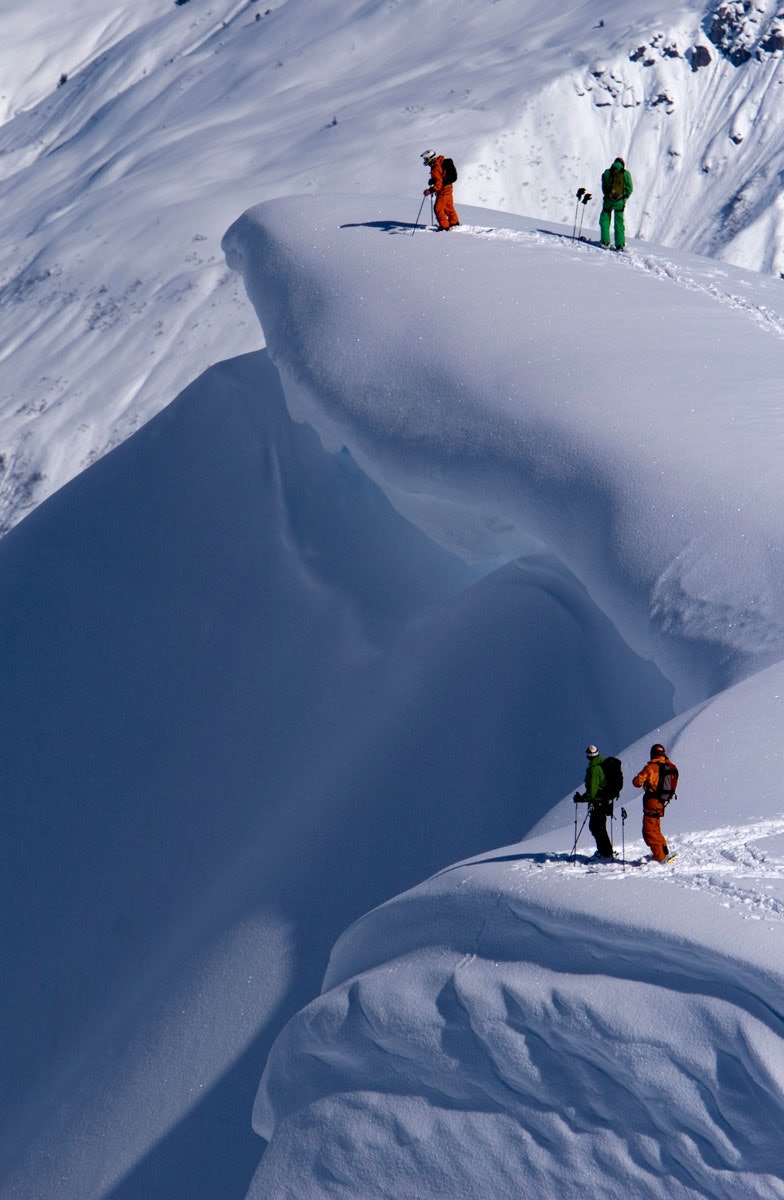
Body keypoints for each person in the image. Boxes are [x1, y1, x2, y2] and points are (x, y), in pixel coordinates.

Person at [632, 743, 678, 862]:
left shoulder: (651, 767)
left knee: (649, 831)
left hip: (652, 801)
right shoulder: (670, 765)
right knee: (656, 828)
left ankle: (660, 857)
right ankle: (664, 852)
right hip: (661, 802)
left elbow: (637, 782)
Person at [573, 744, 614, 858]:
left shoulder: (594, 769)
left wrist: (581, 798)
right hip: (604, 801)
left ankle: (605, 853)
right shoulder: (602, 764)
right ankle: (606, 852)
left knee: (596, 827)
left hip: (598, 802)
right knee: (599, 827)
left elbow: (592, 792)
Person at [421, 150, 460, 231]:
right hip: (448, 188)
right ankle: (454, 223)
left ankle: (444, 226)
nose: (425, 161)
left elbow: (439, 185)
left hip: (443, 191)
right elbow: (441, 178)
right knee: (449, 207)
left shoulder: (435, 167)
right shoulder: (440, 162)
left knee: (438, 209)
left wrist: (430, 190)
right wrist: (433, 180)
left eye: (426, 159)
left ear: (430, 158)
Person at [599, 156, 633, 250]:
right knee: (619, 223)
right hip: (619, 203)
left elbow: (604, 187)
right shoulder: (626, 174)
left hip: (608, 202)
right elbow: (630, 189)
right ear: (622, 165)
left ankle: (605, 242)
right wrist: (623, 198)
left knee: (605, 220)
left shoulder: (607, 172)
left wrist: (607, 196)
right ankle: (620, 244)